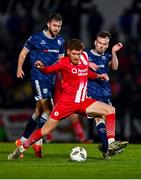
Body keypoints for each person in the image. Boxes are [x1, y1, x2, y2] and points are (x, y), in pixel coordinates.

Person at [8, 39, 128, 160]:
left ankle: (111, 144)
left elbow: (85, 72)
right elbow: (49, 69)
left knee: (110, 110)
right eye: (74, 54)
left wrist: (98, 75)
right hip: (66, 103)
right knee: (45, 130)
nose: (77, 57)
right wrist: (42, 67)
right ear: (68, 52)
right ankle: (21, 148)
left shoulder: (84, 57)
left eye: (79, 53)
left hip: (82, 102)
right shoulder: (63, 62)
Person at [15, 13, 65, 158]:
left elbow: (61, 62)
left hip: (51, 79)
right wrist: (19, 68)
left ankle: (21, 141)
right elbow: (23, 53)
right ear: (48, 24)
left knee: (39, 112)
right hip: (38, 77)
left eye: (59, 26)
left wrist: (62, 79)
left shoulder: (61, 41)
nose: (57, 28)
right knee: (48, 110)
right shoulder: (36, 38)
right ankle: (37, 144)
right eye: (54, 25)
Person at [86, 31, 125, 156]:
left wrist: (113, 52)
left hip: (105, 93)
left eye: (105, 44)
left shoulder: (107, 56)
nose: (102, 46)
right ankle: (109, 145)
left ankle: (105, 147)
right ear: (95, 42)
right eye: (100, 43)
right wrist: (87, 63)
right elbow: (71, 62)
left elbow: (115, 67)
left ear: (107, 45)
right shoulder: (85, 54)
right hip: (91, 92)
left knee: (104, 119)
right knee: (98, 119)